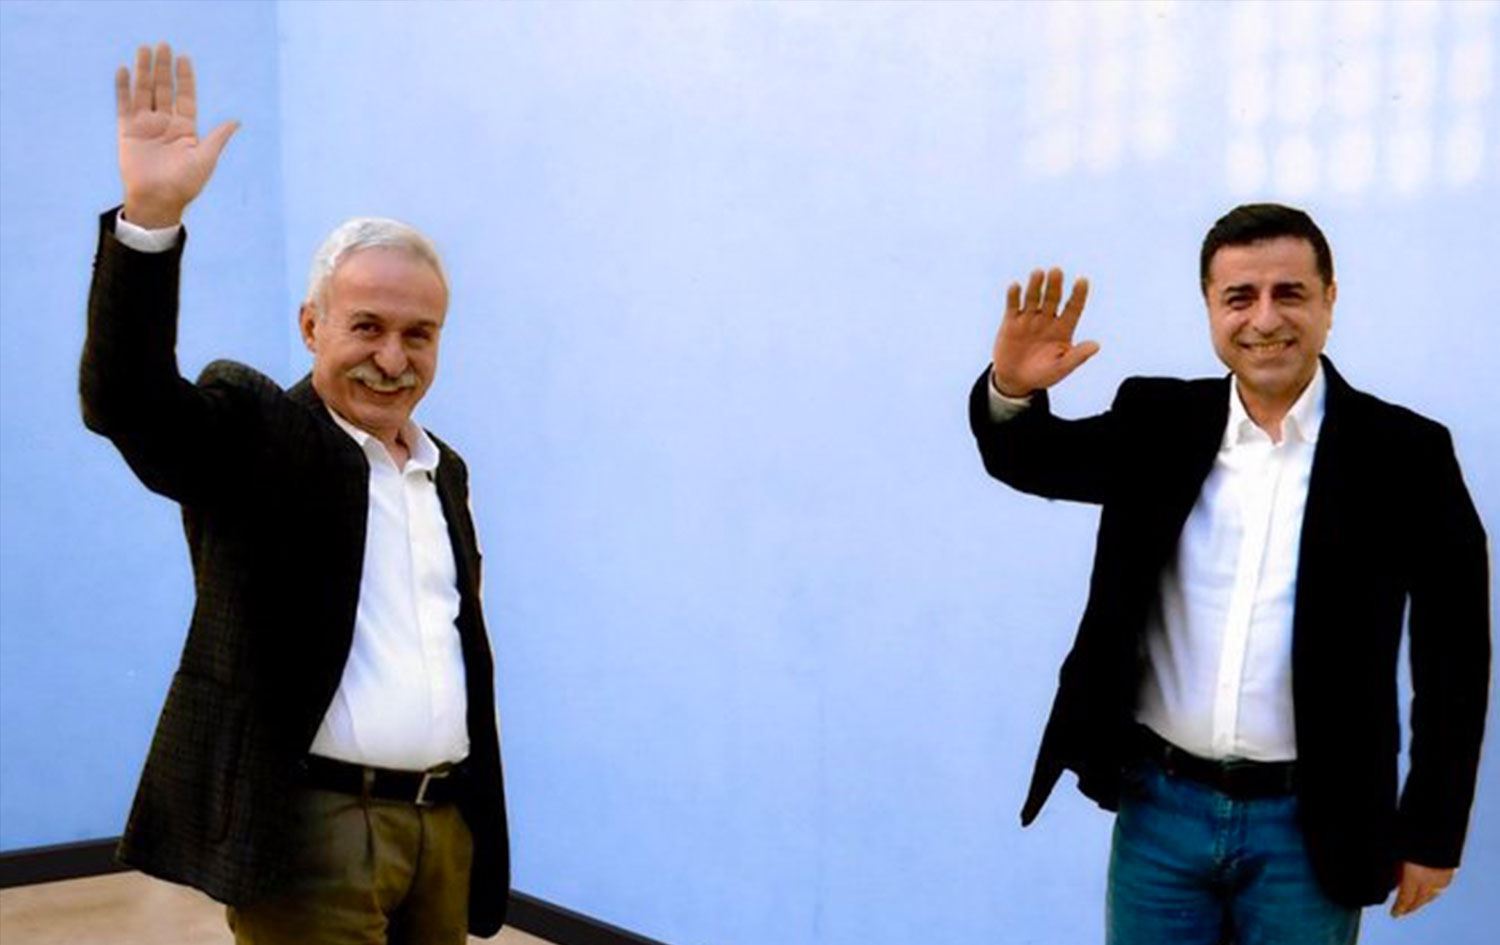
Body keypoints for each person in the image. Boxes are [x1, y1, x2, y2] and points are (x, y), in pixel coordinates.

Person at [79, 43, 508, 943]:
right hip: (312, 832)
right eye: (367, 326)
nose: (392, 358)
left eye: (419, 334)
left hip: (442, 825)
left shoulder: (445, 470)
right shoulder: (258, 433)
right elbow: (129, 401)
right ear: (312, 325)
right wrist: (150, 222)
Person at [968, 203, 1489, 944]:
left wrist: (1433, 830)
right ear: (1210, 308)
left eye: (1290, 293)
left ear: (1330, 299)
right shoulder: (1158, 420)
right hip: (1161, 811)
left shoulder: (1405, 455)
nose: (1265, 318)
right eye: (1240, 297)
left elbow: (1455, 660)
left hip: (1313, 824)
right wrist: (1012, 391)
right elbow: (1032, 459)